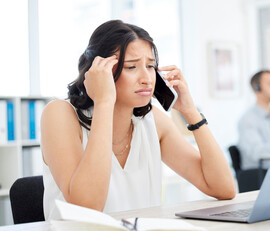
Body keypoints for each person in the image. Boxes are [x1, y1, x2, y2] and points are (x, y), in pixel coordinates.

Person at [40, 20, 235, 220]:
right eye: (131, 67)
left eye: (150, 66)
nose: (147, 78)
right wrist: (104, 102)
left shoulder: (153, 121)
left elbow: (223, 188)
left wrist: (190, 112)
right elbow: (87, 206)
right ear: (99, 70)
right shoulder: (60, 114)